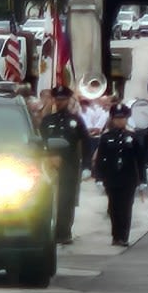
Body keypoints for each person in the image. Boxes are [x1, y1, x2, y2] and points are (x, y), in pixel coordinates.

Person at [39, 85, 89, 245]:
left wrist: (87, 166)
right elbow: (40, 143)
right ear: (53, 100)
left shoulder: (76, 121)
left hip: (69, 166)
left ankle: (64, 232)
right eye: (57, 99)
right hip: (49, 167)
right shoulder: (47, 121)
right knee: (48, 199)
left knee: (67, 199)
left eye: (63, 99)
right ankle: (50, 230)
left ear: (68, 100)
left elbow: (86, 144)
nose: (60, 102)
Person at [95, 104, 147, 247]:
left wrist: (142, 179)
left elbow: (140, 160)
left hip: (128, 177)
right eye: (117, 118)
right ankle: (115, 235)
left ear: (126, 119)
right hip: (111, 177)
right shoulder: (106, 137)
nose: (119, 121)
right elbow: (100, 158)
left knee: (126, 207)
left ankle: (123, 236)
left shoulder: (133, 137)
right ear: (112, 119)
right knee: (113, 207)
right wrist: (98, 178)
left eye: (122, 118)